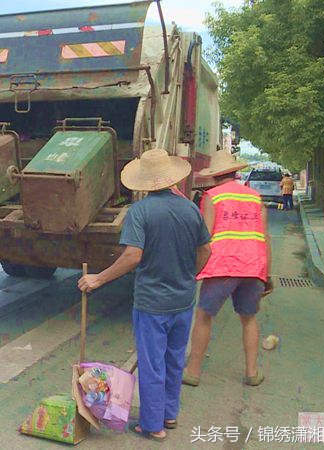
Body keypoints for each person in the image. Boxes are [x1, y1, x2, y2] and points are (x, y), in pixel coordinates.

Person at [78, 149, 211, 442]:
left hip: (152, 302)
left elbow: (132, 256)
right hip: (183, 299)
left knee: (152, 364)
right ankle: (169, 413)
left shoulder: (140, 212)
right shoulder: (190, 208)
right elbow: (206, 250)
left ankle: (153, 425)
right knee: (175, 359)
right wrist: (190, 274)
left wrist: (98, 279)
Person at [184, 150, 272, 388]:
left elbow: (205, 236)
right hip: (254, 266)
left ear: (214, 176)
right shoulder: (255, 197)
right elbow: (264, 238)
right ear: (235, 172)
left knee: (204, 316)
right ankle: (252, 372)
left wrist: (194, 269)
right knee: (249, 318)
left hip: (223, 265)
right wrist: (267, 274)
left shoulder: (213, 196)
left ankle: (193, 371)